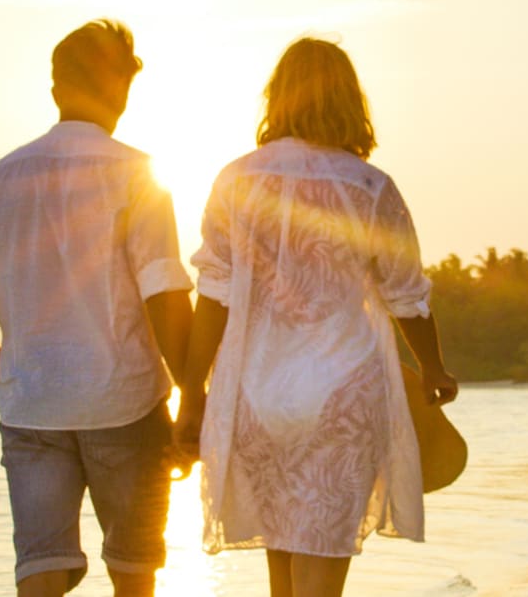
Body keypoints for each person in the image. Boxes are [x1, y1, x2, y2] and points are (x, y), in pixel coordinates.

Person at [178, 36, 457, 597]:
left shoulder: (235, 180)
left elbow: (214, 292)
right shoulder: (370, 186)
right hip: (343, 398)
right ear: (350, 100)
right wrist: (433, 369)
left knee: (283, 576)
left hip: (258, 398)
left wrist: (191, 392)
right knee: (322, 576)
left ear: (277, 98)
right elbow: (406, 294)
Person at [0, 19, 198, 597]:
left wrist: (8, 373)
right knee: (133, 576)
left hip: (31, 409)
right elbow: (164, 294)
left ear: (55, 90)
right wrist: (194, 397)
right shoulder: (137, 173)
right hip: (125, 405)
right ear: (123, 89)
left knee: (40, 574)